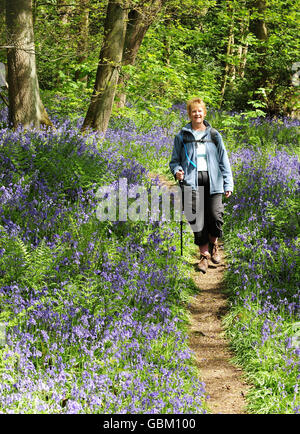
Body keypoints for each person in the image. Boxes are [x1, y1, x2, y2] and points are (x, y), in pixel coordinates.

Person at [169, 97, 233, 273]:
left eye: (200, 111)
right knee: (197, 219)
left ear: (204, 113)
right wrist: (177, 171)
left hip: (214, 180)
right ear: (189, 114)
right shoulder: (181, 136)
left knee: (215, 215)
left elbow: (223, 160)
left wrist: (228, 183)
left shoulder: (214, 135)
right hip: (191, 180)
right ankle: (204, 256)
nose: (197, 114)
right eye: (193, 111)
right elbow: (174, 161)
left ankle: (214, 244)